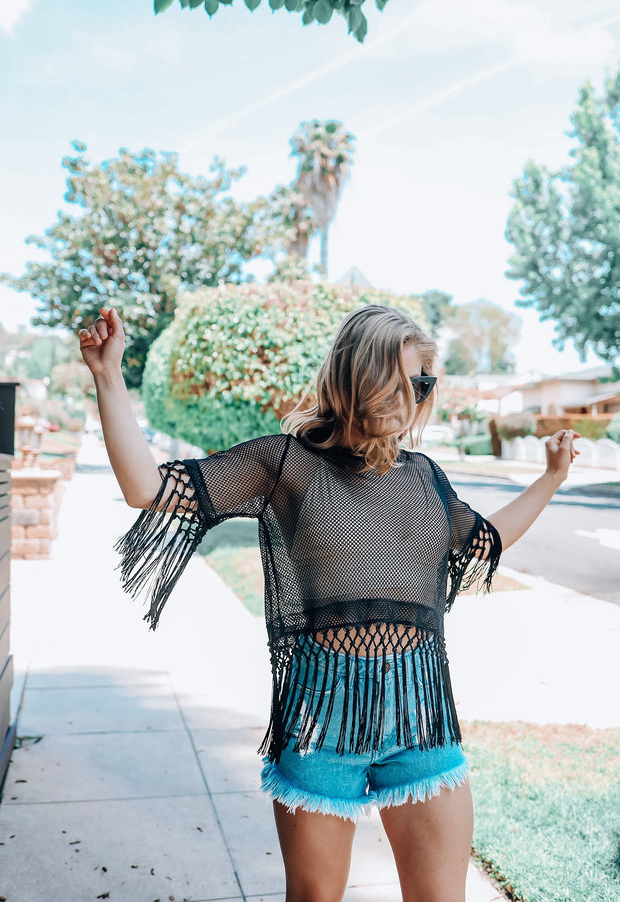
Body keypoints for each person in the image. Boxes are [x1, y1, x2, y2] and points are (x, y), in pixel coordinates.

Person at [79, 304, 579, 902]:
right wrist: (109, 377)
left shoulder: (424, 476)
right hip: (321, 719)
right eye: (407, 380)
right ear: (362, 377)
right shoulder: (284, 465)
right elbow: (146, 487)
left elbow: (482, 543)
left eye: (425, 383)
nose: (417, 397)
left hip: (419, 717)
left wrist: (550, 478)